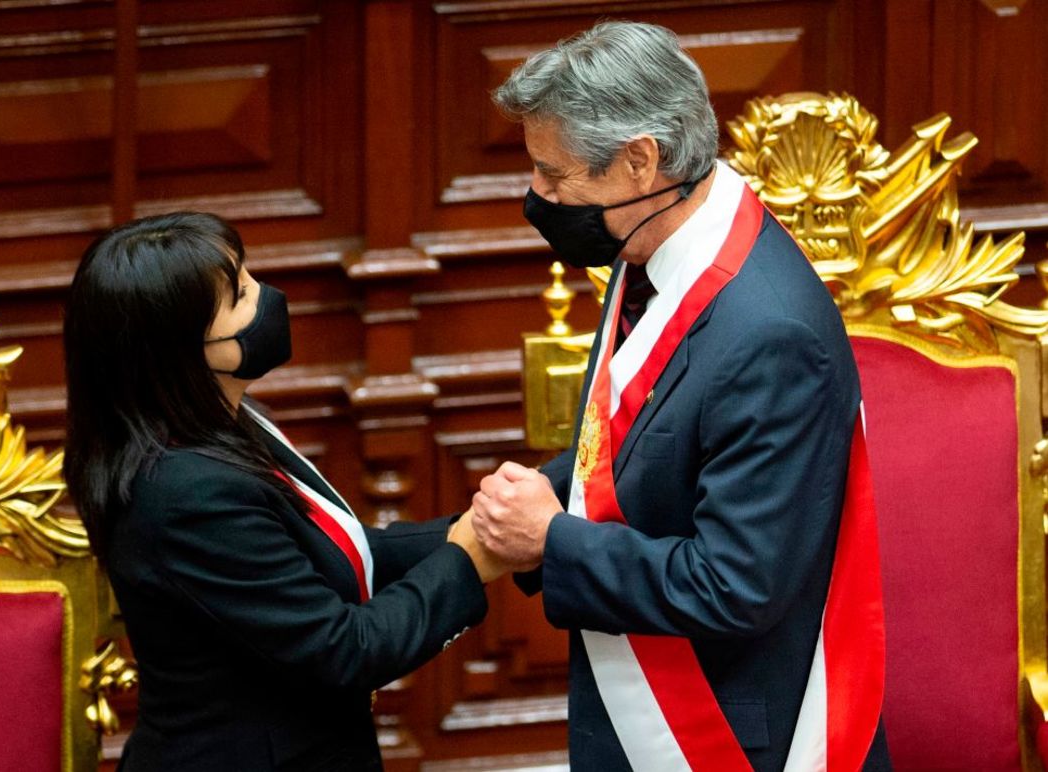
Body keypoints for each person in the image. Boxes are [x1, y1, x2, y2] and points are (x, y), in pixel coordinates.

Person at [471, 21, 890, 771]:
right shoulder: (654, 241)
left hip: (729, 736)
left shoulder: (769, 334)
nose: (537, 196)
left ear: (640, 161)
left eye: (555, 176)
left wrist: (553, 539)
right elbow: (647, 445)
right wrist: (539, 495)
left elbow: (737, 587)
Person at [63, 212, 502, 771]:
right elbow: (345, 650)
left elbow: (336, 556)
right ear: (181, 348)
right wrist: (472, 559)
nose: (267, 297)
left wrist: (490, 521)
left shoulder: (226, 426)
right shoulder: (184, 493)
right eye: (241, 295)